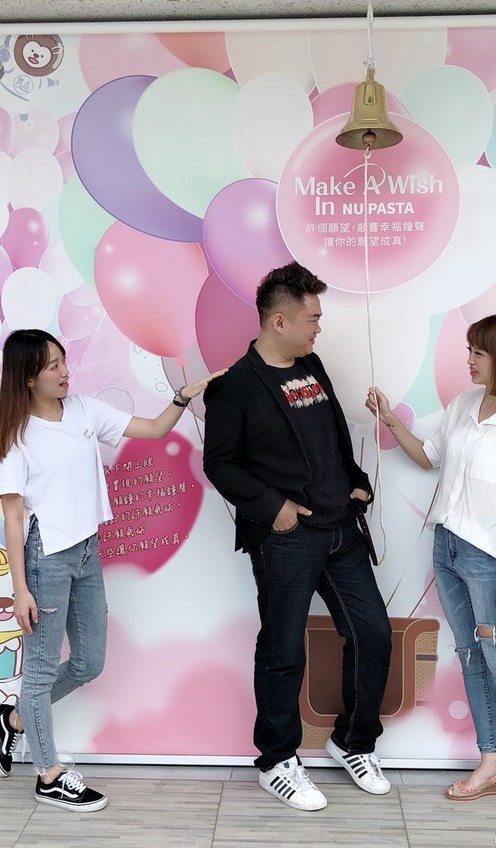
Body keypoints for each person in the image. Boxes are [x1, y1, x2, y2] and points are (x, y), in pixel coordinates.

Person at [0, 328, 224, 812]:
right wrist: (20, 589)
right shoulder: (15, 436)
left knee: (88, 663)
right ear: (27, 377)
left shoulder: (83, 410)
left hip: (86, 551)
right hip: (46, 557)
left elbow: (153, 429)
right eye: (52, 365)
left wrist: (182, 397)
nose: (64, 371)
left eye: (63, 360)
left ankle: (14, 720)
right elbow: (12, 517)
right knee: (39, 670)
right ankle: (49, 775)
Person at [203, 262, 392, 812]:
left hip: (341, 530)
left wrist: (355, 481)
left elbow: (332, 434)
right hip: (286, 539)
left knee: (373, 634)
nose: (319, 327)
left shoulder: (311, 365)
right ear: (279, 321)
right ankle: (277, 761)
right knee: (283, 649)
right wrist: (275, 508)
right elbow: (220, 464)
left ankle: (353, 741)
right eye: (312, 318)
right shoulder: (235, 386)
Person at [365, 313, 496, 821]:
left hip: (490, 560)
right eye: (469, 350)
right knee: (470, 655)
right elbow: (428, 456)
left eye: (479, 352)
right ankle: (492, 761)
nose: (469, 360)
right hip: (447, 547)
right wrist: (389, 418)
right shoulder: (464, 404)